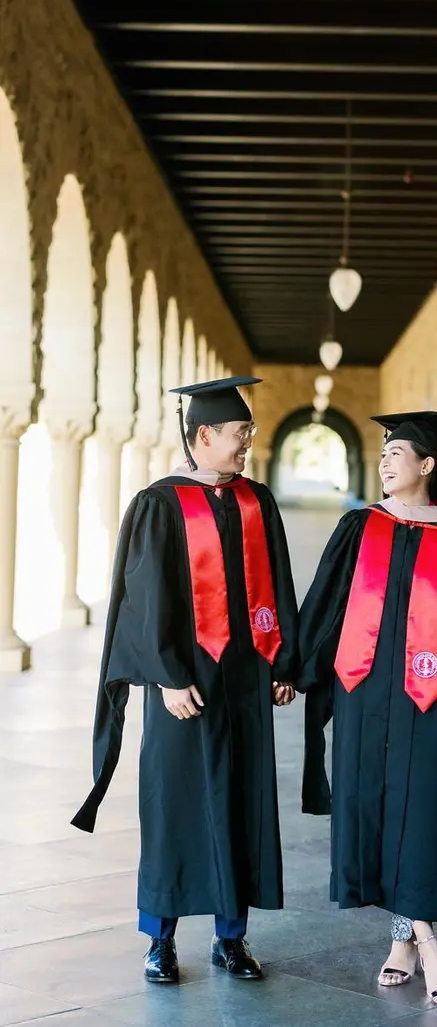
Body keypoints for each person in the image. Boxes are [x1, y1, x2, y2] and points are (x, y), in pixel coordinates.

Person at [72, 376, 298, 984]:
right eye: (239, 433)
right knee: (174, 806)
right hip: (186, 684)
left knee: (240, 806)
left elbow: (276, 583)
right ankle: (161, 940)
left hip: (245, 681)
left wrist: (282, 663)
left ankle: (232, 938)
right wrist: (167, 678)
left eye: (248, 433)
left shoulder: (256, 502)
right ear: (204, 435)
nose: (247, 443)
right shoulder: (161, 503)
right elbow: (147, 599)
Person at [297, 411, 437, 1008]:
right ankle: (415, 938)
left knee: (423, 818)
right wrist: (294, 669)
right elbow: (324, 604)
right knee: (377, 813)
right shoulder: (359, 526)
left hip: (433, 700)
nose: (386, 459)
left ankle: (416, 942)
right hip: (364, 695)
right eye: (384, 451)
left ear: (428, 465)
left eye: (399, 452)